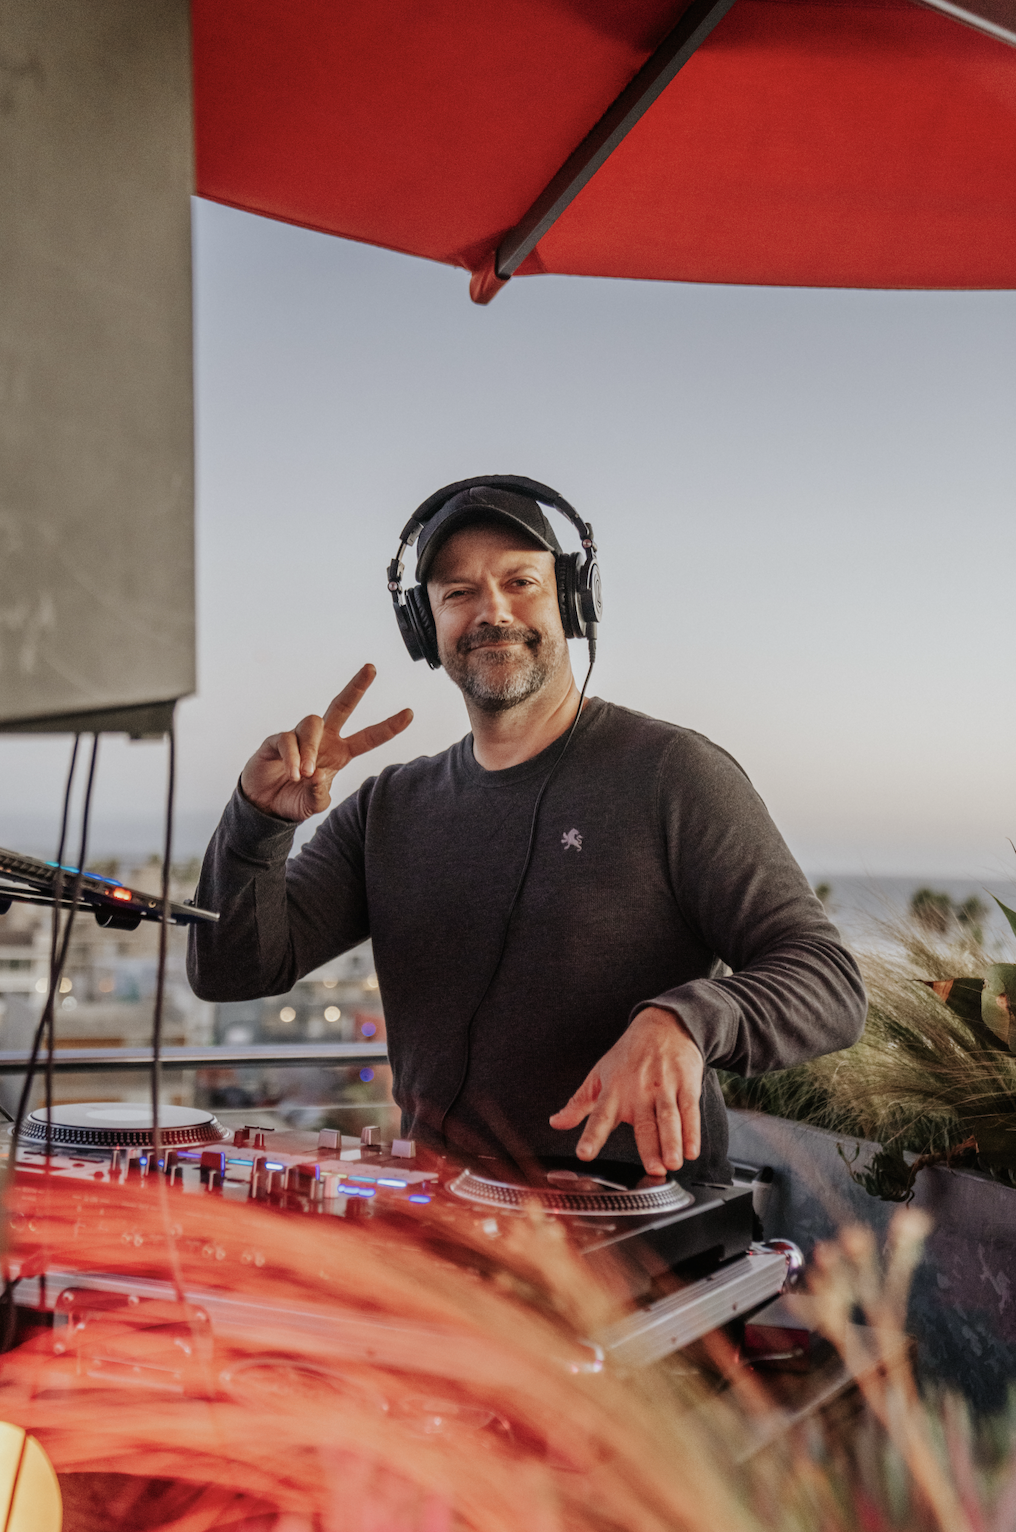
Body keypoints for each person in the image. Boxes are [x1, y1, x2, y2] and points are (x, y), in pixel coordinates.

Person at [188, 480, 865, 1182]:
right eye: (458, 593)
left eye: (521, 581)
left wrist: (686, 1021)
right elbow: (231, 970)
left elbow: (829, 982)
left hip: (630, 1227)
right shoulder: (388, 807)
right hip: (439, 1222)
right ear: (425, 627)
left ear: (571, 600)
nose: (493, 612)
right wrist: (257, 820)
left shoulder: (673, 774)